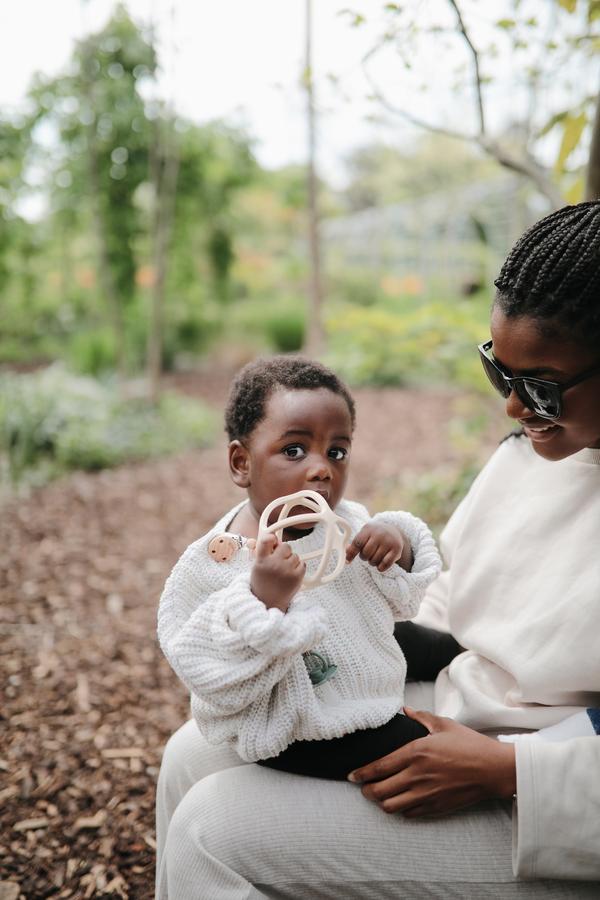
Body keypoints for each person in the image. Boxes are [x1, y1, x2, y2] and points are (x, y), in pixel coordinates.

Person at [155, 201, 600, 899]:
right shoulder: (538, 455)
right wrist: (355, 605)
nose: (513, 408)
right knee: (194, 753)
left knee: (212, 831)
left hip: (549, 793)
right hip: (470, 710)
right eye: (499, 373)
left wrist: (505, 770)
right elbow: (458, 601)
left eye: (540, 385)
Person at [158, 356, 443, 782]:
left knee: (427, 644)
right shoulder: (218, 560)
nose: (321, 468)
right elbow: (202, 665)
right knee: (419, 744)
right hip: (304, 731)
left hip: (361, 653)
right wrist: (262, 600)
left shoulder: (344, 521)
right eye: (294, 450)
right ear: (242, 463)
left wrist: (395, 546)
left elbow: (402, 602)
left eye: (337, 452)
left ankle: (466, 654)